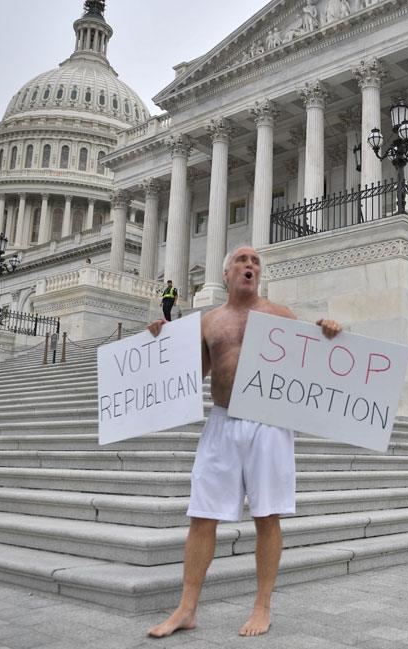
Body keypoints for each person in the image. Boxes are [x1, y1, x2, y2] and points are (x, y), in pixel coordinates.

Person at [146, 245, 341, 639]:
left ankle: (262, 606)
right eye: (242, 261)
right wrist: (161, 345)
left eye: (255, 262)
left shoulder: (280, 316)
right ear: (227, 272)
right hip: (221, 423)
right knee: (201, 516)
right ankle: (187, 608)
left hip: (268, 424)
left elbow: (309, 366)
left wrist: (328, 334)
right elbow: (190, 375)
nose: (250, 266)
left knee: (267, 516)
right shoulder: (209, 321)